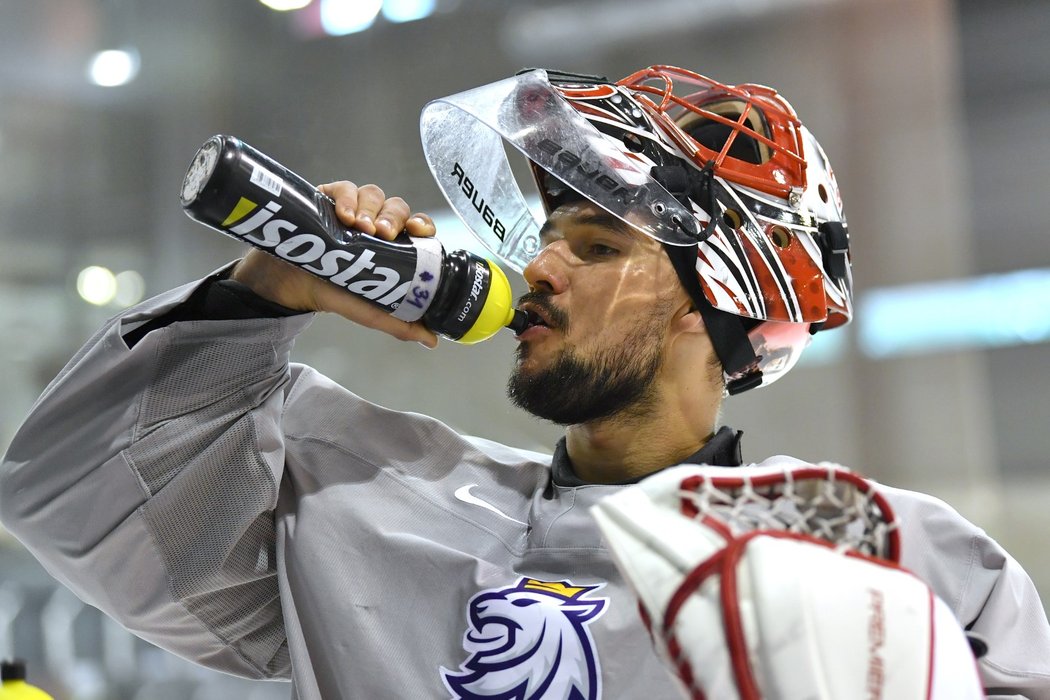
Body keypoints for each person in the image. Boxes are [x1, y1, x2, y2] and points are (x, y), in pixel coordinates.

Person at [0, 65, 1048, 699]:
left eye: (596, 247)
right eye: (547, 239)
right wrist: (261, 294)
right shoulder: (355, 500)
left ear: (710, 293)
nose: (536, 268)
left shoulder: (892, 559)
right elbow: (66, 490)